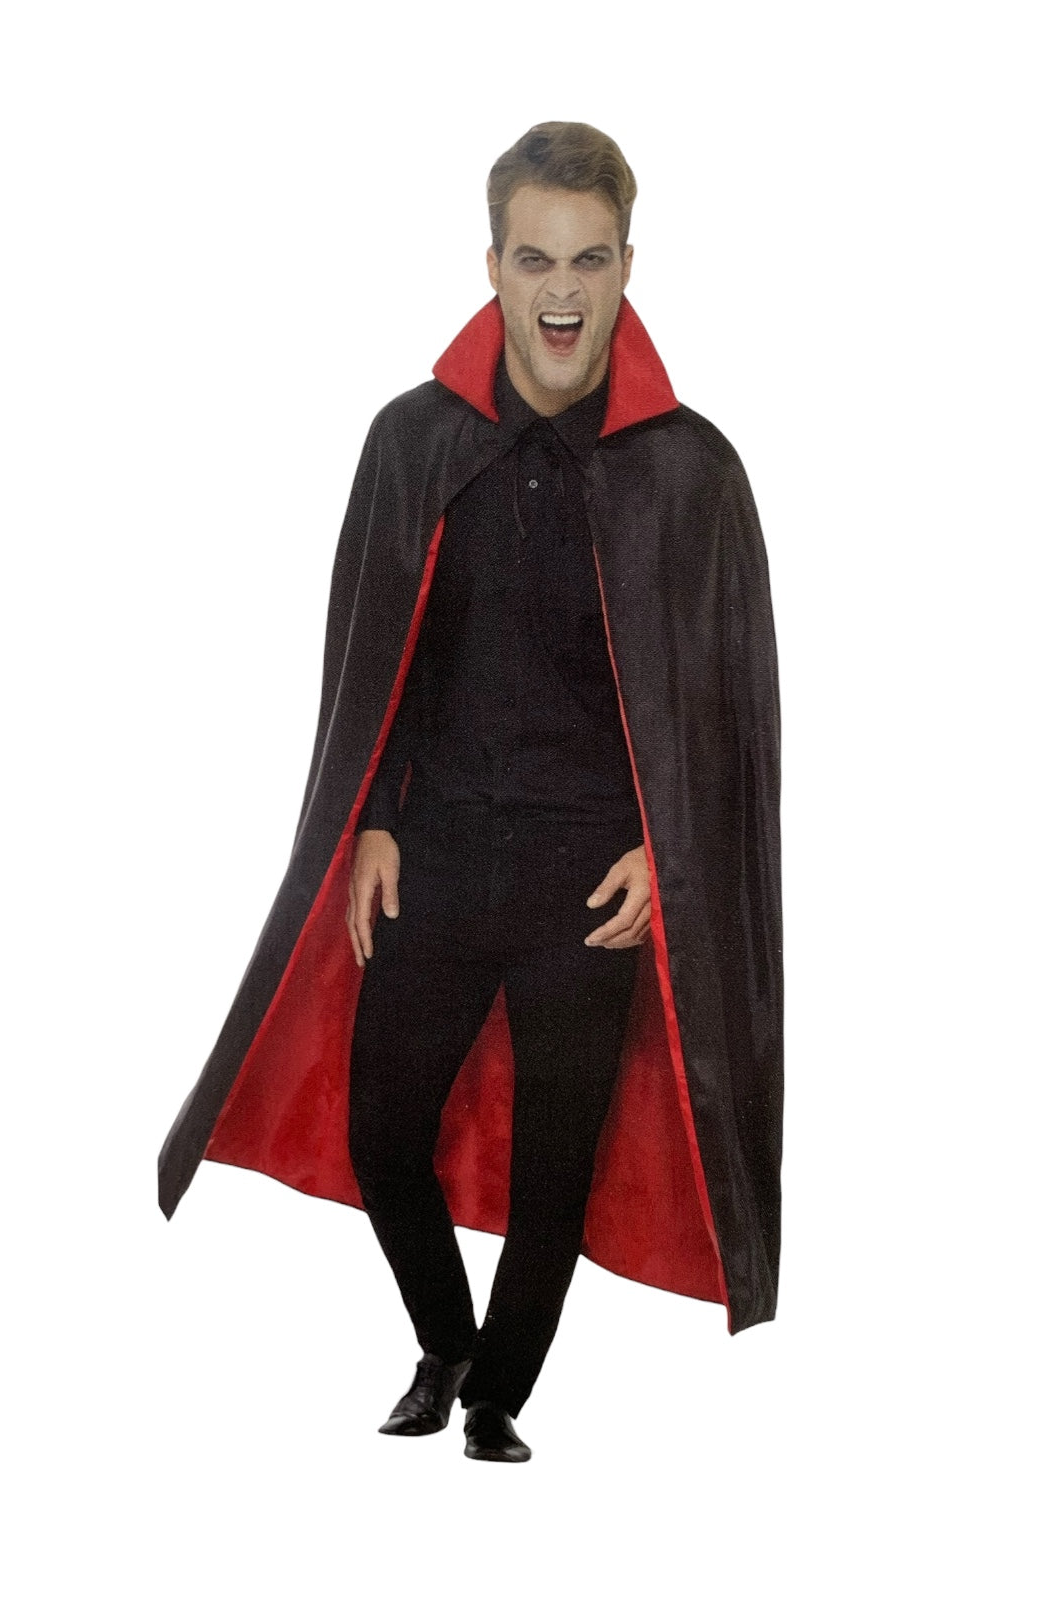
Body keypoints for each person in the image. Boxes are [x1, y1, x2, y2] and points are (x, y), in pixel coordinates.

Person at [157, 120, 784, 1467]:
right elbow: (368, 661)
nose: (563, 289)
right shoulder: (412, 442)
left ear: (628, 267)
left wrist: (663, 854)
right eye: (536, 258)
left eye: (591, 259)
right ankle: (446, 1342)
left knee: (559, 1161)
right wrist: (376, 812)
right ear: (492, 264)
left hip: (590, 876)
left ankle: (498, 1395)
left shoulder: (691, 472)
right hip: (434, 849)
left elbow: (726, 716)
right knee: (383, 1127)